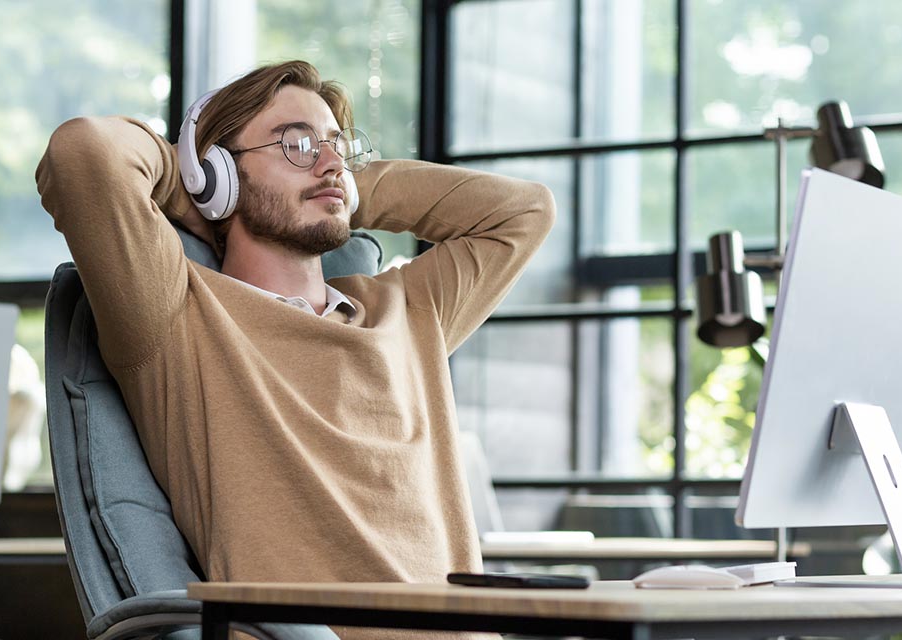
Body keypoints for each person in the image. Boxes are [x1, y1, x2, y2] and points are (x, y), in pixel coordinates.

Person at [36, 60, 555, 639]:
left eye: (339, 146)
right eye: (298, 143)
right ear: (221, 172)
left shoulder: (407, 311)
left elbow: (525, 212)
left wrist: (342, 182)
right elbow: (81, 155)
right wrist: (196, 184)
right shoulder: (177, 313)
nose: (332, 162)